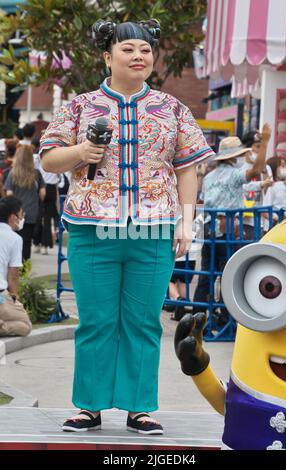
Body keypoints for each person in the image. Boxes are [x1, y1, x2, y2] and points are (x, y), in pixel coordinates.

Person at [39, 19, 215, 434]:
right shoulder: (79, 107)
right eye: (128, 49)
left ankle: (140, 407)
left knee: (143, 320)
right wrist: (82, 149)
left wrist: (186, 223)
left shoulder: (173, 108)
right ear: (107, 56)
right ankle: (89, 406)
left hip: (154, 228)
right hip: (92, 227)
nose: (139, 56)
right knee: (97, 320)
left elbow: (188, 169)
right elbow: (49, 159)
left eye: (145, 50)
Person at [193, 127, 271, 323]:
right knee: (229, 274)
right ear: (234, 156)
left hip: (208, 227)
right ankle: (227, 319)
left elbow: (203, 200)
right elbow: (256, 170)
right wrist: (265, 143)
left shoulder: (210, 176)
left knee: (206, 274)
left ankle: (197, 316)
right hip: (226, 228)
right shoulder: (235, 174)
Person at [4, 145, 46, 260]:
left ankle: (14, 267)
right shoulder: (36, 174)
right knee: (26, 242)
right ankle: (24, 269)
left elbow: (9, 194)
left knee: (13, 241)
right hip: (31, 213)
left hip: (15, 214)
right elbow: (42, 194)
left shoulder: (13, 173)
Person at [0, 196, 32, 337]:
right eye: (21, 215)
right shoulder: (14, 239)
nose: (21, 218)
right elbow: (13, 275)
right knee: (25, 326)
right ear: (13, 217)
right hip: (1, 295)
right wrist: (15, 298)